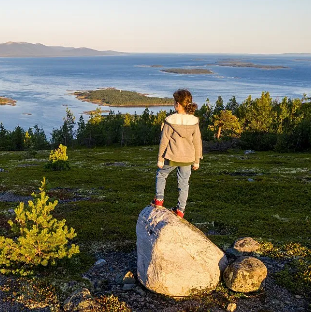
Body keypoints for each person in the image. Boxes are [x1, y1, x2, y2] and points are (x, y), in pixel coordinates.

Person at [151, 89, 202, 218]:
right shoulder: (194, 121)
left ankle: (159, 201)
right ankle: (180, 210)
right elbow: (197, 142)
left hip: (172, 156)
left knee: (161, 174)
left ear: (178, 104)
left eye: (174, 101)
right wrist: (197, 160)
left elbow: (164, 141)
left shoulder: (170, 120)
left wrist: (160, 159)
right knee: (184, 183)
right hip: (188, 158)